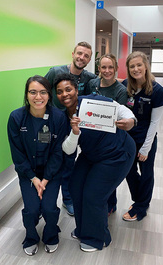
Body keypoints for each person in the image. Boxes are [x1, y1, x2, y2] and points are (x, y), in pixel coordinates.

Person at [54, 73, 136, 252]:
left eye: (68, 89)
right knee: (75, 187)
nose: (65, 94)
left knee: (94, 194)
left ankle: (98, 238)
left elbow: (120, 109)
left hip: (117, 153)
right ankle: (84, 229)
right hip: (92, 154)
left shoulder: (92, 101)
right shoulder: (62, 118)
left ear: (76, 90)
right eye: (59, 92)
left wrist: (131, 120)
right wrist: (75, 132)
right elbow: (68, 150)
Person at [7, 75, 67, 255]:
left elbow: (58, 152)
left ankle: (50, 235)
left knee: (49, 208)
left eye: (43, 92)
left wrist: (46, 179)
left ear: (49, 95)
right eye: (33, 92)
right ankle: (31, 237)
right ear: (26, 95)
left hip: (52, 173)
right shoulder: (16, 118)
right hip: (28, 173)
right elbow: (17, 154)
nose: (38, 97)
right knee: (32, 209)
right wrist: (34, 179)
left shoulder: (58, 117)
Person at [45, 41, 97, 216]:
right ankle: (42, 200)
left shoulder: (89, 78)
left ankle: (67, 199)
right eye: (79, 53)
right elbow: (42, 92)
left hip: (72, 124)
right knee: (48, 161)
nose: (82, 58)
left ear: (89, 60)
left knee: (68, 162)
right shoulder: (55, 72)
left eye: (86, 56)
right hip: (52, 124)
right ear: (73, 54)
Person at [120, 51, 163, 221]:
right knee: (128, 171)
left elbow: (154, 123)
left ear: (146, 66)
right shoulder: (126, 86)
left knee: (146, 173)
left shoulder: (157, 90)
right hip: (128, 139)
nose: (136, 69)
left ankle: (141, 207)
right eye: (132, 66)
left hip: (146, 139)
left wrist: (146, 148)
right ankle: (141, 200)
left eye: (139, 65)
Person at [86, 53, 128, 215]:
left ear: (116, 69)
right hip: (92, 137)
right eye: (104, 67)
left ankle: (111, 204)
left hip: (110, 139)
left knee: (107, 174)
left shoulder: (120, 91)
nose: (107, 70)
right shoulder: (92, 84)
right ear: (99, 69)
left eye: (111, 67)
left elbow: (119, 116)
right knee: (94, 173)